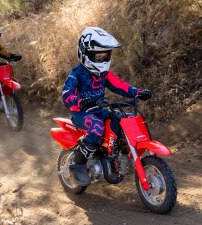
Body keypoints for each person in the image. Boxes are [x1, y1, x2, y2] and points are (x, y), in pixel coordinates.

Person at [61, 27, 152, 186]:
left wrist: (138, 92)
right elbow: (66, 94)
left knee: (121, 118)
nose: (103, 59)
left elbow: (120, 86)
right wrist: (81, 102)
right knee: (96, 127)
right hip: (81, 113)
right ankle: (78, 163)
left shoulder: (104, 74)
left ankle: (114, 155)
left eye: (105, 55)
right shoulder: (77, 74)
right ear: (86, 53)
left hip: (99, 110)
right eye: (99, 56)